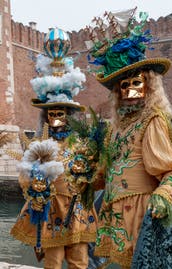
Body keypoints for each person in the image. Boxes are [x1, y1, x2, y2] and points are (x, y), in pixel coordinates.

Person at [86, 9, 172, 268]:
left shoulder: (153, 121)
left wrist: (163, 197)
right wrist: (84, 178)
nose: (130, 91)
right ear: (117, 92)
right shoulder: (114, 129)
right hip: (117, 214)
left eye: (136, 83)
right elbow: (105, 173)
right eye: (123, 86)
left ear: (149, 84)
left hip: (142, 212)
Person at [10, 28, 103, 269]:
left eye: (61, 113)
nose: (57, 119)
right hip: (52, 211)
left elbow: (96, 175)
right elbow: (25, 177)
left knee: (80, 259)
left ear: (69, 115)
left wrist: (89, 174)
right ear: (46, 116)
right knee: (53, 261)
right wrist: (36, 188)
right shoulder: (39, 144)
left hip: (78, 209)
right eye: (52, 114)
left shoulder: (82, 142)